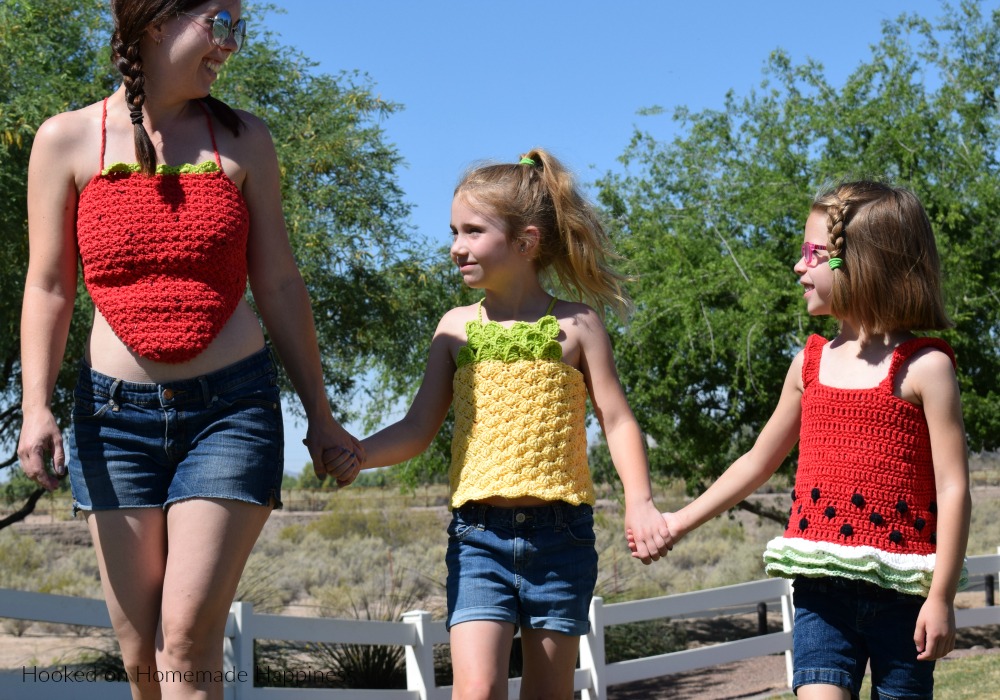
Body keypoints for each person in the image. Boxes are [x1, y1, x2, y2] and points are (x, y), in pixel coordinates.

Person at [17, 1, 361, 697]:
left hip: (230, 414)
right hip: (111, 423)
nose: (233, 44)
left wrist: (320, 415)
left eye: (241, 26)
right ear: (156, 21)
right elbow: (50, 285)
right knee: (141, 649)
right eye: (222, 23)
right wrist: (34, 405)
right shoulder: (67, 140)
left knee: (185, 636)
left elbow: (281, 282)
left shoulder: (245, 143)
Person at [637, 180, 971, 699]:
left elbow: (953, 489)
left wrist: (942, 597)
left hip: (904, 594)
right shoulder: (807, 364)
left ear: (861, 263)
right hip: (821, 591)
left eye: (812, 253)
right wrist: (678, 522)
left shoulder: (926, 367)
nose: (799, 267)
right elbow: (757, 461)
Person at [358, 149, 671, 700]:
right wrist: (358, 453)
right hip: (478, 537)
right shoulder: (454, 329)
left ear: (525, 242)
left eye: (473, 231)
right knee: (475, 691)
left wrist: (639, 499)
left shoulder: (578, 325)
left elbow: (617, 420)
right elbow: (417, 427)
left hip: (561, 537)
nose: (456, 246)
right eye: (454, 231)